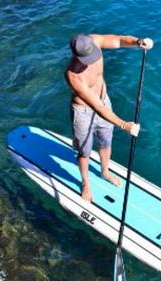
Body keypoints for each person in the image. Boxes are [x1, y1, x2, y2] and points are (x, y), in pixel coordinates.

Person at [65, 33, 153, 202]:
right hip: (83, 112)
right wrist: (124, 125)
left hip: (105, 102)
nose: (92, 60)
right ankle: (85, 183)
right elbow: (96, 107)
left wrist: (138, 42)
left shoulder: (94, 41)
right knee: (84, 152)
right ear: (77, 56)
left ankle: (105, 171)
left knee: (106, 142)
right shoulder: (73, 76)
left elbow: (119, 40)